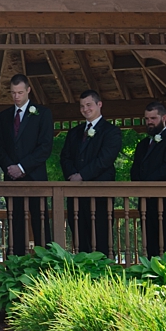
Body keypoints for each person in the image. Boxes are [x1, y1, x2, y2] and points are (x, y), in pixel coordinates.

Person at [0, 74, 54, 255]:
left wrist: (22, 167)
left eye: (20, 92)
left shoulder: (42, 113)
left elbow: (45, 147)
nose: (16, 96)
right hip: (12, 178)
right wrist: (10, 168)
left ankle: (46, 262)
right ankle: (16, 261)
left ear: (28, 90)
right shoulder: (3, 117)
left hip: (36, 177)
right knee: (15, 221)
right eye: (13, 93)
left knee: (40, 221)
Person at [60, 90, 122, 255]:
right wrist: (72, 175)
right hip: (76, 194)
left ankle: (104, 273)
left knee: (101, 235)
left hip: (100, 192)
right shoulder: (74, 132)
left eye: (89, 105)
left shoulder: (111, 131)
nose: (85, 109)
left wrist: (82, 176)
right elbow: (65, 157)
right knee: (79, 237)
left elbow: (105, 159)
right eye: (82, 106)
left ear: (99, 104)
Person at [130, 102, 166, 256]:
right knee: (149, 237)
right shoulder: (142, 145)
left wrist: (149, 184)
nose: (149, 122)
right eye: (146, 119)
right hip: (145, 200)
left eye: (153, 118)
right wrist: (140, 186)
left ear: (163, 118)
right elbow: (135, 168)